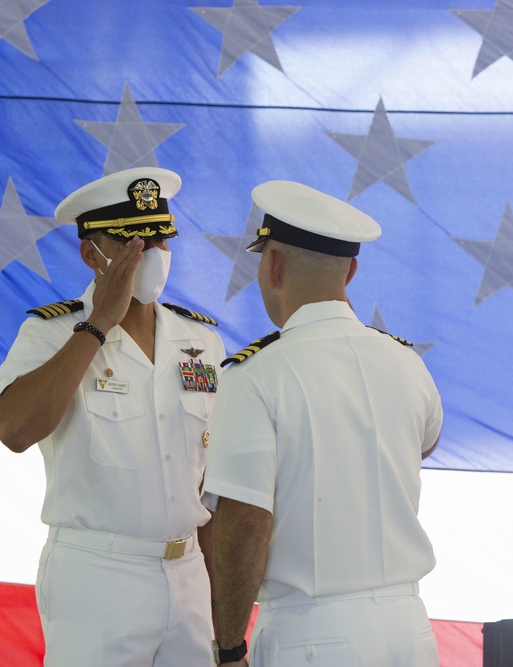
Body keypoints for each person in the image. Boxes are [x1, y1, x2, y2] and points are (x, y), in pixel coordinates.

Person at [202, 180, 443, 667]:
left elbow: (245, 524)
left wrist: (228, 647)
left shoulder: (256, 375)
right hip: (409, 628)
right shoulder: (407, 362)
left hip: (312, 636)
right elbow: (424, 445)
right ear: (350, 271)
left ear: (272, 266)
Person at [0, 167, 225, 666]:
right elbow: (14, 430)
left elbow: (211, 482)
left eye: (161, 239)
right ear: (90, 254)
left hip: (189, 574)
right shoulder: (50, 334)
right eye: (131, 242)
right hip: (98, 575)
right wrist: (99, 324)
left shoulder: (200, 340)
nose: (151, 254)